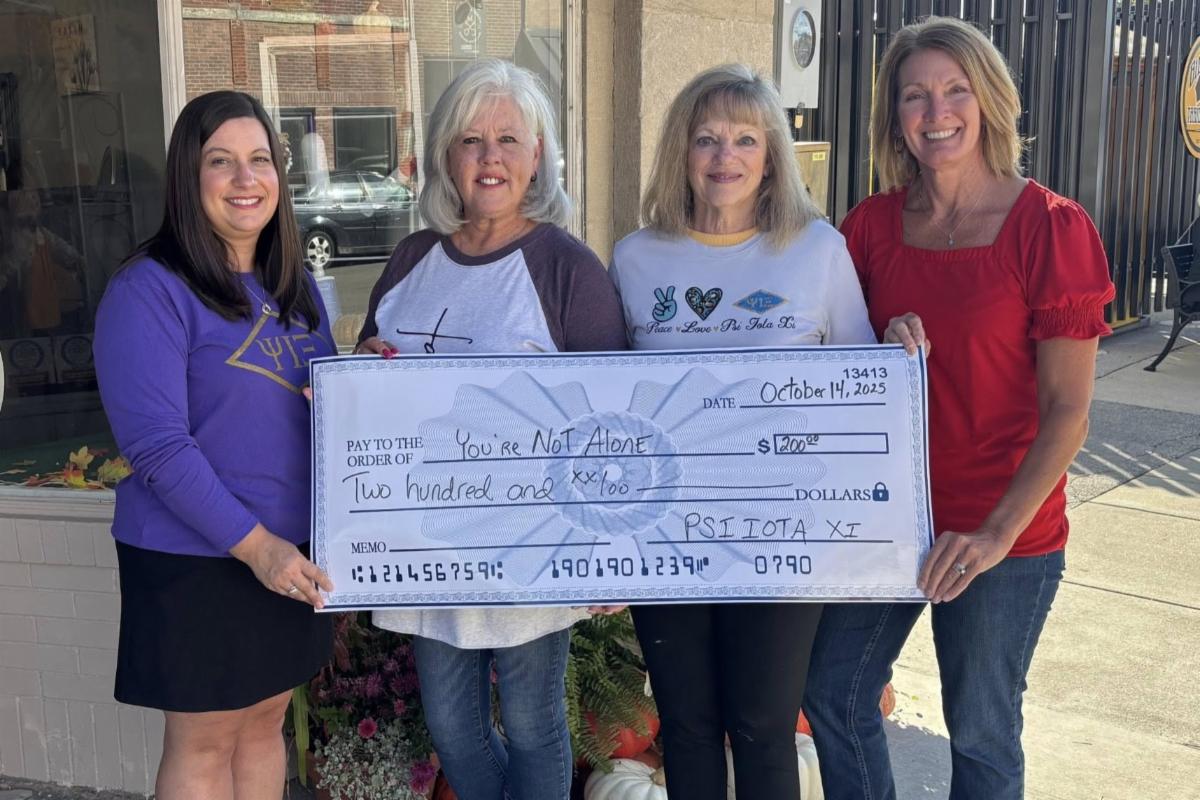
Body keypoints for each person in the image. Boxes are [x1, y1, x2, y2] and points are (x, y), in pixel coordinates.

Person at [801, 17, 1115, 800]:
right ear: (895, 114)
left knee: (979, 731)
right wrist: (879, 345)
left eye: (955, 90)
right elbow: (835, 368)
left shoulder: (1050, 228)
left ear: (989, 101)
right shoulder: (869, 228)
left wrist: (994, 535)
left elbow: (1067, 410)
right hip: (889, 522)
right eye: (915, 95)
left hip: (1001, 533)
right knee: (832, 694)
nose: (936, 111)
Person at [355, 59, 627, 800]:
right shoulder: (412, 259)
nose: (490, 157)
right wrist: (367, 369)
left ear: (538, 154)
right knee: (452, 727)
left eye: (509, 138)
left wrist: (614, 549)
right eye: (471, 139)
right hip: (427, 544)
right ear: (446, 154)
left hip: (532, 545)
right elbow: (365, 385)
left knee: (535, 725)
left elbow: (612, 424)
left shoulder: (567, 268)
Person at [608, 63, 876, 799]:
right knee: (686, 724)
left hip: (783, 531)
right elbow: (611, 401)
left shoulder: (817, 250)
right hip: (667, 530)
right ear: (681, 152)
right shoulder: (636, 257)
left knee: (763, 724)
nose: (725, 156)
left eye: (745, 139)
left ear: (772, 158)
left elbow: (861, 390)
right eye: (706, 138)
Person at [93, 90, 335, 800]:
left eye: (260, 159)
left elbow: (317, 400)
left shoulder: (295, 287)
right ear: (187, 177)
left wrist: (364, 383)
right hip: (198, 556)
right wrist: (258, 549)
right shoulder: (149, 290)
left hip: (289, 554)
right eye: (221, 161)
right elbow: (158, 448)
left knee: (263, 724)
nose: (245, 179)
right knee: (203, 742)